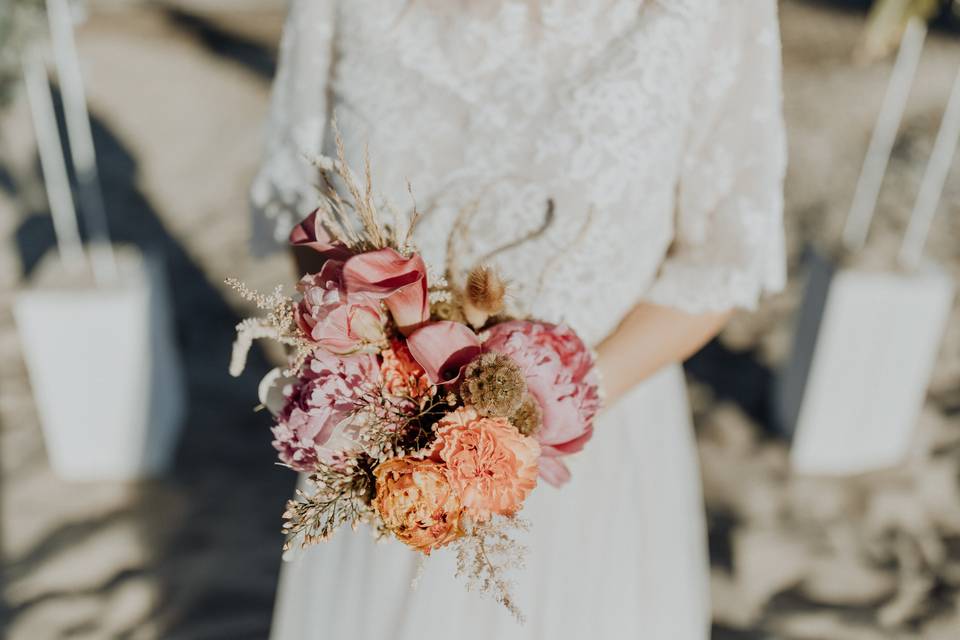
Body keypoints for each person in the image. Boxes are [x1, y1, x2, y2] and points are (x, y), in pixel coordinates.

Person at [250, 1, 786, 637]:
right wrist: (374, 363)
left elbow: (720, 261)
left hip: (593, 455)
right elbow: (306, 201)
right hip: (390, 445)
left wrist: (542, 414)